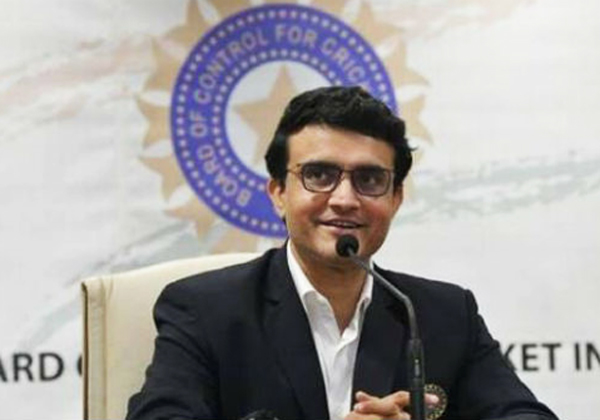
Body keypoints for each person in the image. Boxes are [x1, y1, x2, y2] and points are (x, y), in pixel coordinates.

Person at [127, 86, 558, 420]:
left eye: (369, 179)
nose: (345, 199)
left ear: (395, 198)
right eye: (319, 175)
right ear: (278, 193)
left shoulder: (441, 314)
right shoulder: (205, 310)